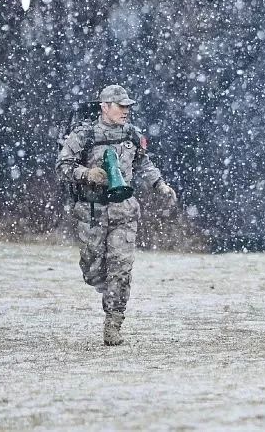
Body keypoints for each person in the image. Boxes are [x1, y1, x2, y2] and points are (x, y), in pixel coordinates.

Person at [56, 84, 177, 346]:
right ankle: (108, 290)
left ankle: (113, 322)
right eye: (120, 106)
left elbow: (144, 163)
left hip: (124, 211)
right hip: (91, 212)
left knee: (121, 269)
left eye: (128, 107)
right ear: (104, 106)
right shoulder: (84, 135)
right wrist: (87, 174)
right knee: (92, 269)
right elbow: (62, 166)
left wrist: (160, 185)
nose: (126, 111)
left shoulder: (132, 134)